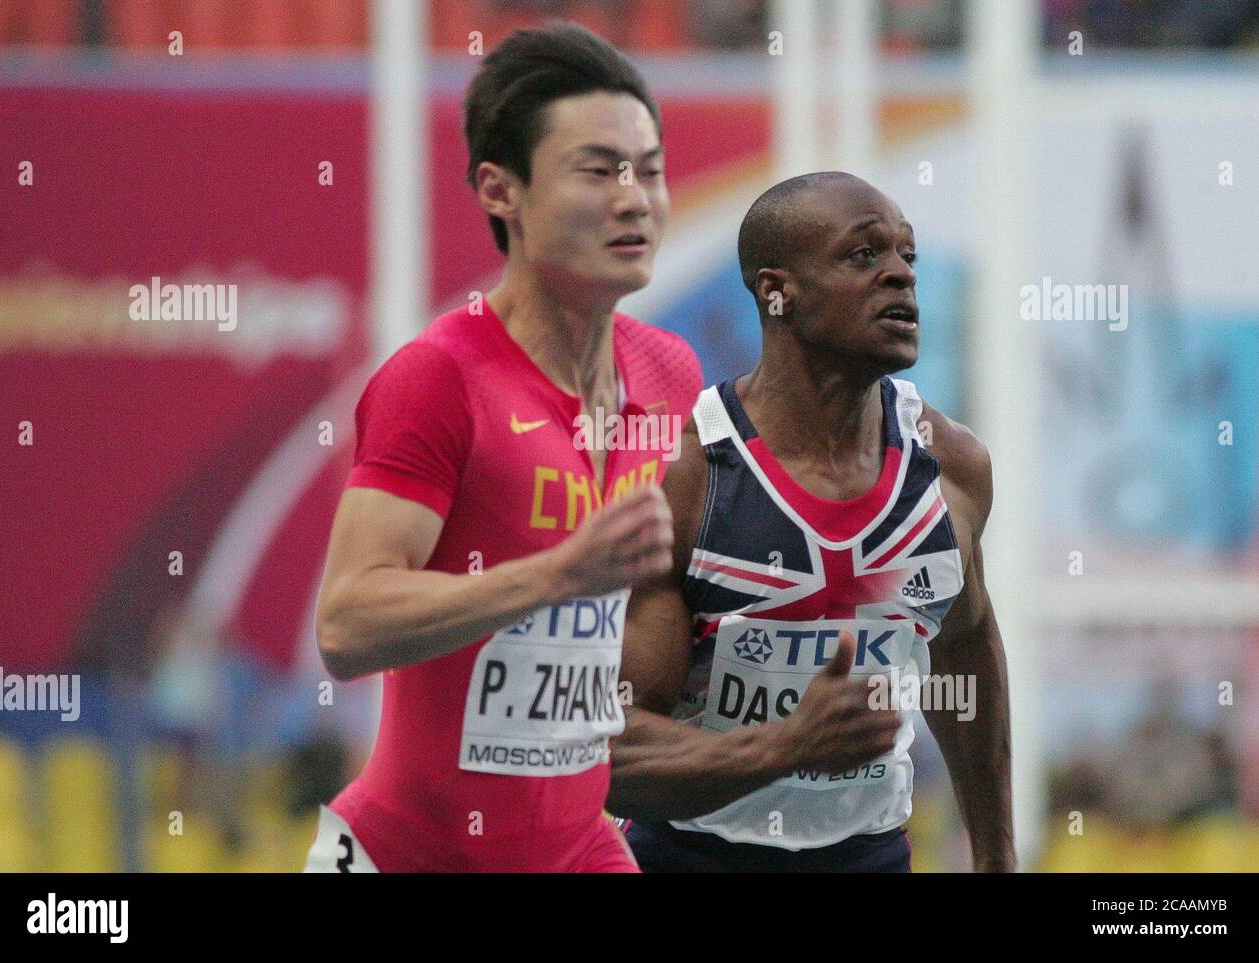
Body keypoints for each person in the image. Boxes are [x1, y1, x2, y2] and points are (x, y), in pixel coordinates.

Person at [304, 21, 701, 873]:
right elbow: (345, 621)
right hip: (407, 853)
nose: (635, 198)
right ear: (500, 191)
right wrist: (556, 574)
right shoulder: (439, 377)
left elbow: (617, 627)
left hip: (581, 847)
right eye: (598, 170)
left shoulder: (668, 372)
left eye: (651, 169)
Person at [607, 172, 1016, 872]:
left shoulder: (951, 467)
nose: (899, 276)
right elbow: (610, 752)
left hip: (872, 857)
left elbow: (965, 649)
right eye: (864, 255)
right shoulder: (685, 477)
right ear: (777, 291)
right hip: (691, 857)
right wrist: (787, 745)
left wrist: (995, 855)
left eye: (907, 257)